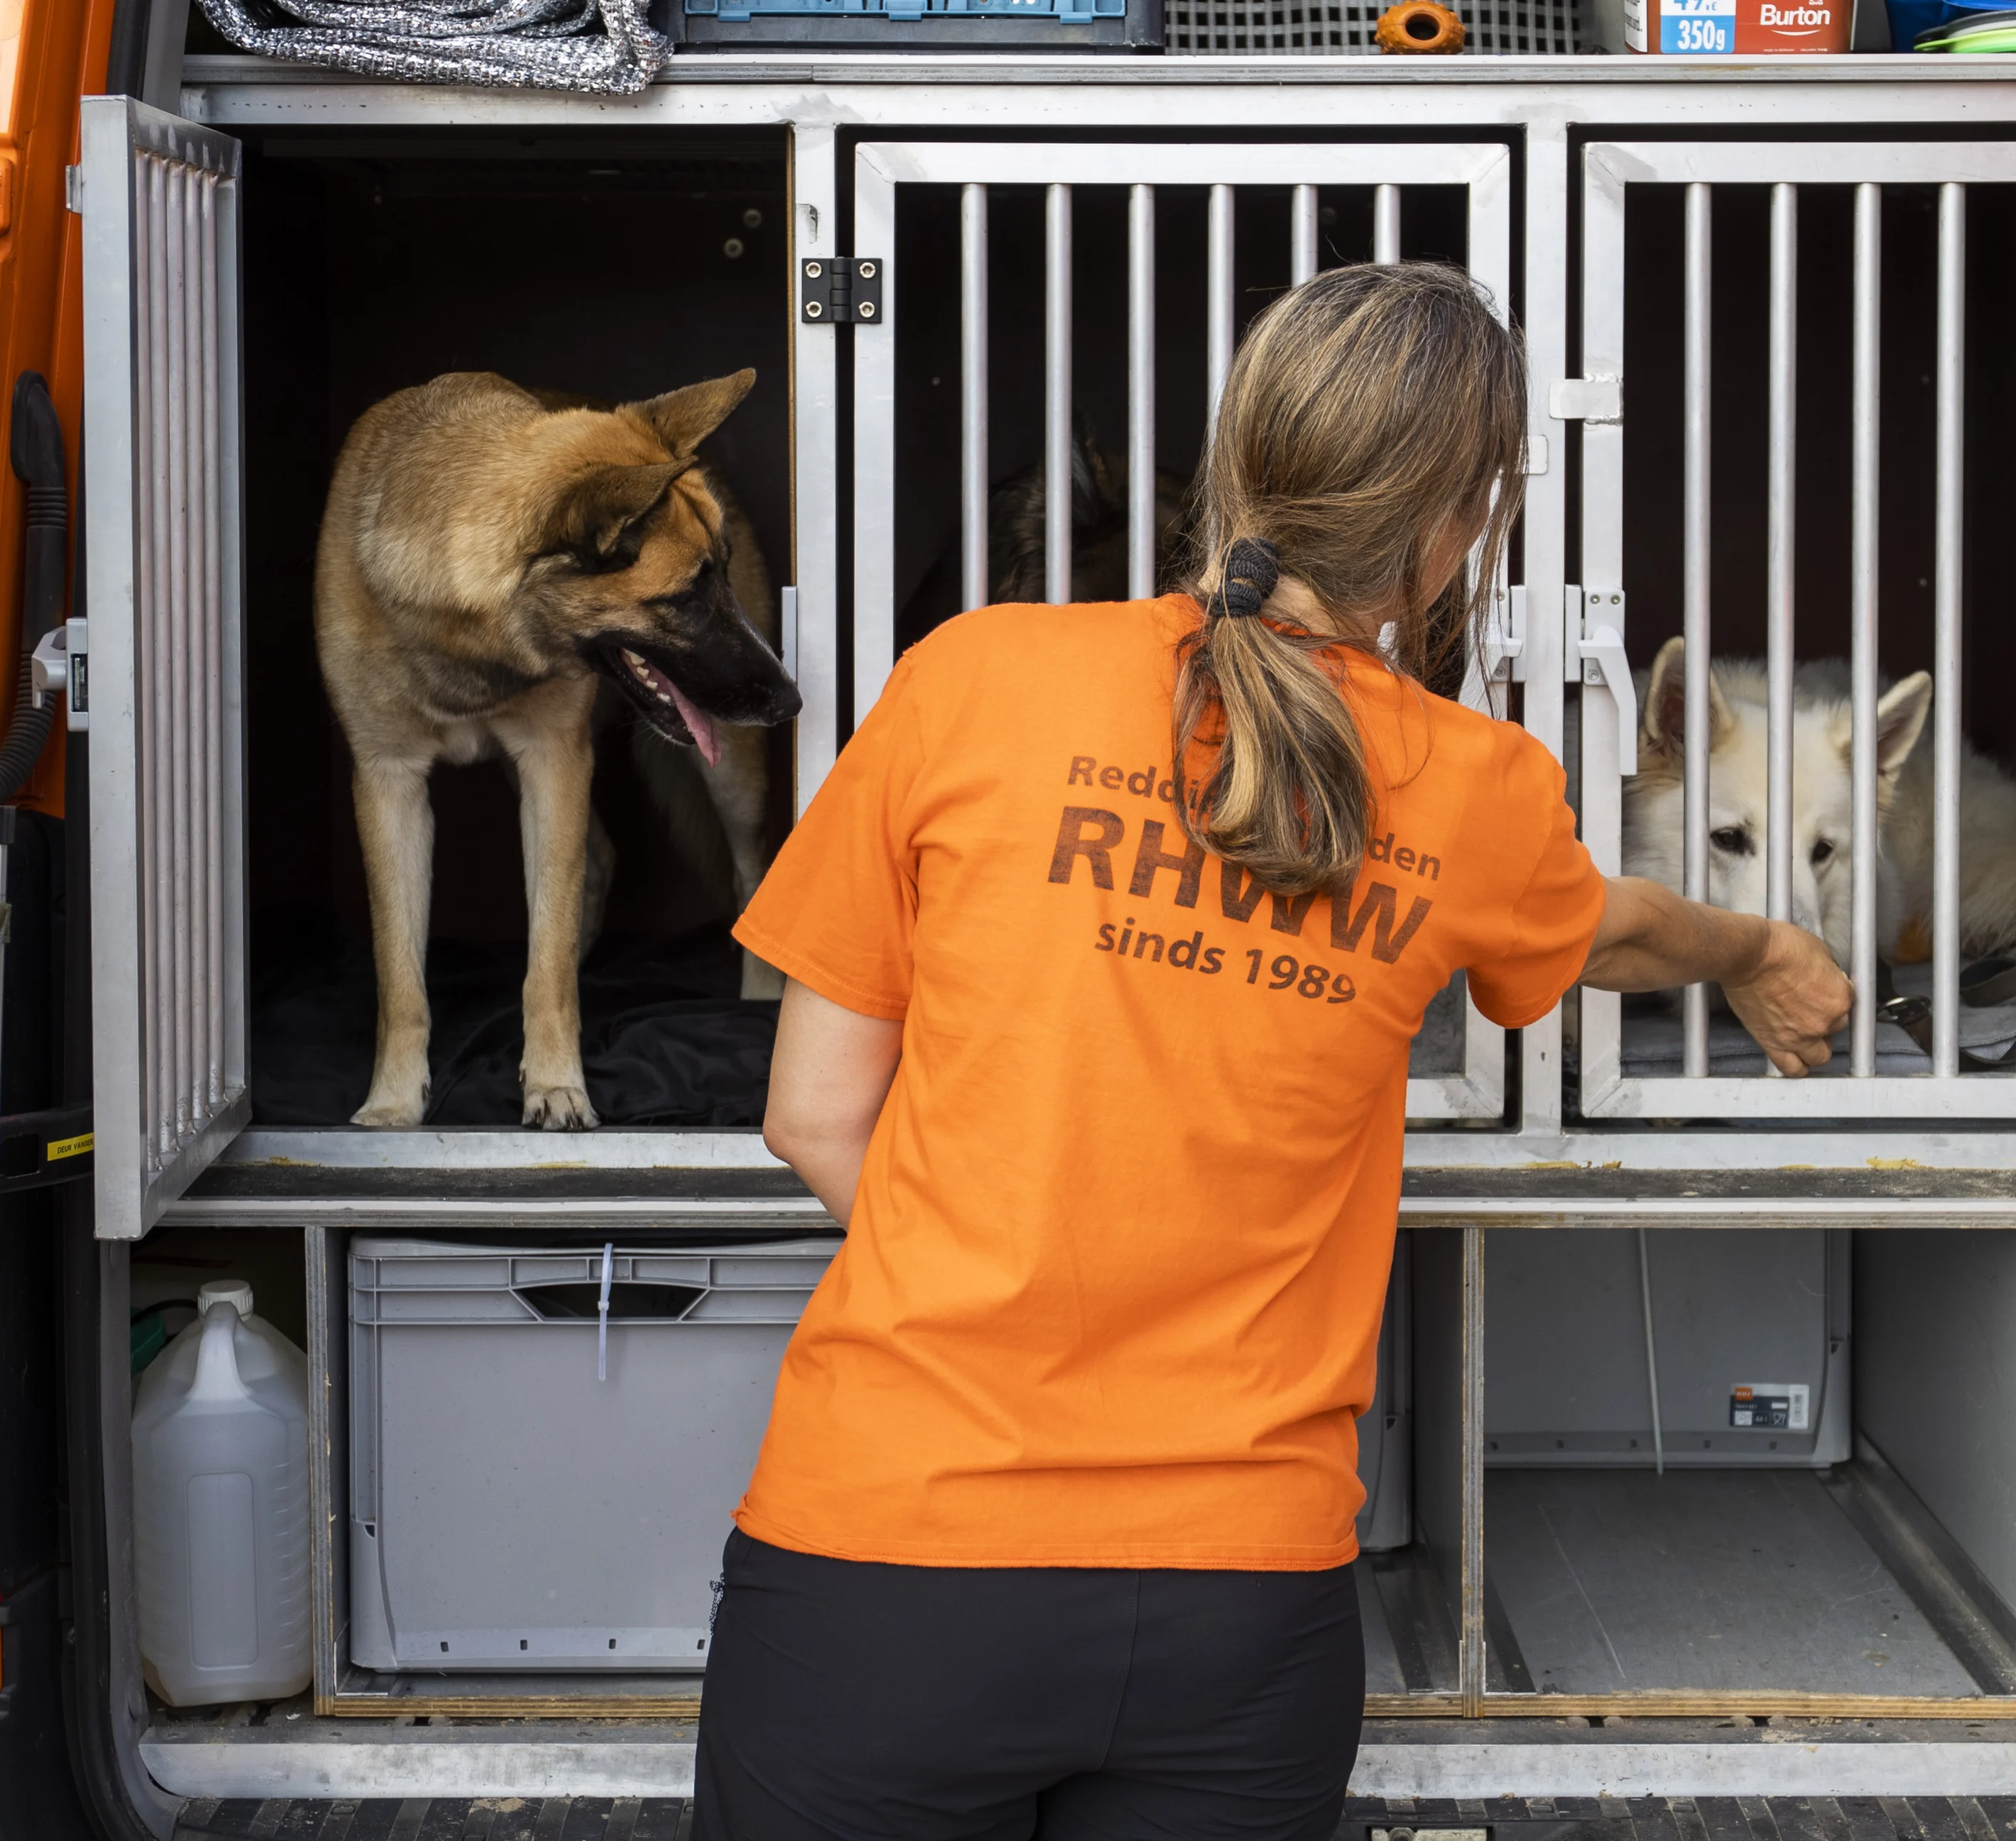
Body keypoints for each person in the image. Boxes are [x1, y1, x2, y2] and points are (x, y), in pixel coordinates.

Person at [696, 261, 1852, 1840]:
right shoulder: (1478, 788)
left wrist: (1010, 1249)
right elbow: (1622, 927)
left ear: (1235, 457)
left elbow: (816, 1117)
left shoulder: (974, 679)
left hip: (889, 1562)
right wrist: (1765, 947)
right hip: (1239, 1610)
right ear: (1461, 532)